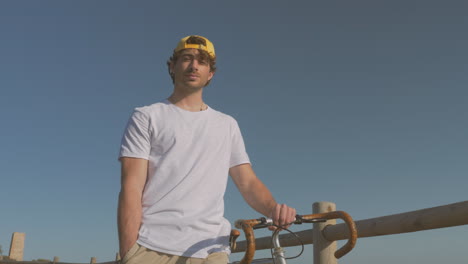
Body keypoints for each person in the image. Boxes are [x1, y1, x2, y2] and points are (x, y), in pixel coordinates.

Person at [117, 35, 296, 264]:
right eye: (187, 59)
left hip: (211, 250)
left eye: (202, 61)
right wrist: (130, 254)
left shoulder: (227, 124)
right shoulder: (146, 116)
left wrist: (274, 210)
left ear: (210, 73)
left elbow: (248, 183)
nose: (194, 66)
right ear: (172, 66)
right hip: (153, 248)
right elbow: (131, 187)